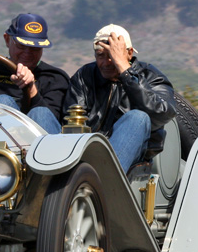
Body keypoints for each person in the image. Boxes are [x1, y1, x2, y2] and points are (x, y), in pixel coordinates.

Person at [64, 24, 176, 173]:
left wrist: (125, 71)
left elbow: (161, 114)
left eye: (112, 56)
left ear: (129, 53)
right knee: (40, 113)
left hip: (131, 159)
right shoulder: (85, 76)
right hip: (85, 153)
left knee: (137, 117)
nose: (105, 63)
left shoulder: (151, 76)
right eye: (100, 55)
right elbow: (71, 120)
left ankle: (107, 180)